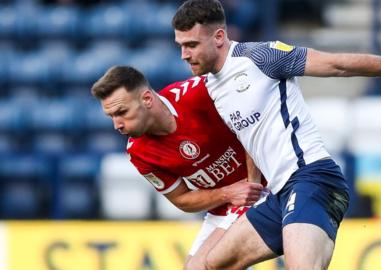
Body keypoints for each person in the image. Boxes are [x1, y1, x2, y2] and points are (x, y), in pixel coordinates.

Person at [171, 0, 381, 269]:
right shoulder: (211, 85)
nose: (184, 55)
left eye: (192, 45)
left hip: (312, 179)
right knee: (208, 266)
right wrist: (253, 186)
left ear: (219, 37)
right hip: (278, 194)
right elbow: (250, 132)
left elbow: (339, 65)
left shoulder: (262, 57)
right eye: (181, 45)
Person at [90, 65, 266, 266]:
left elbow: (251, 122)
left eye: (122, 112)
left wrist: (253, 183)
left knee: (210, 264)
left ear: (146, 99)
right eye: (111, 116)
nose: (117, 125)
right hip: (227, 203)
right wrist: (228, 193)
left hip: (267, 181)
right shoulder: (139, 152)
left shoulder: (198, 93)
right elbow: (182, 198)